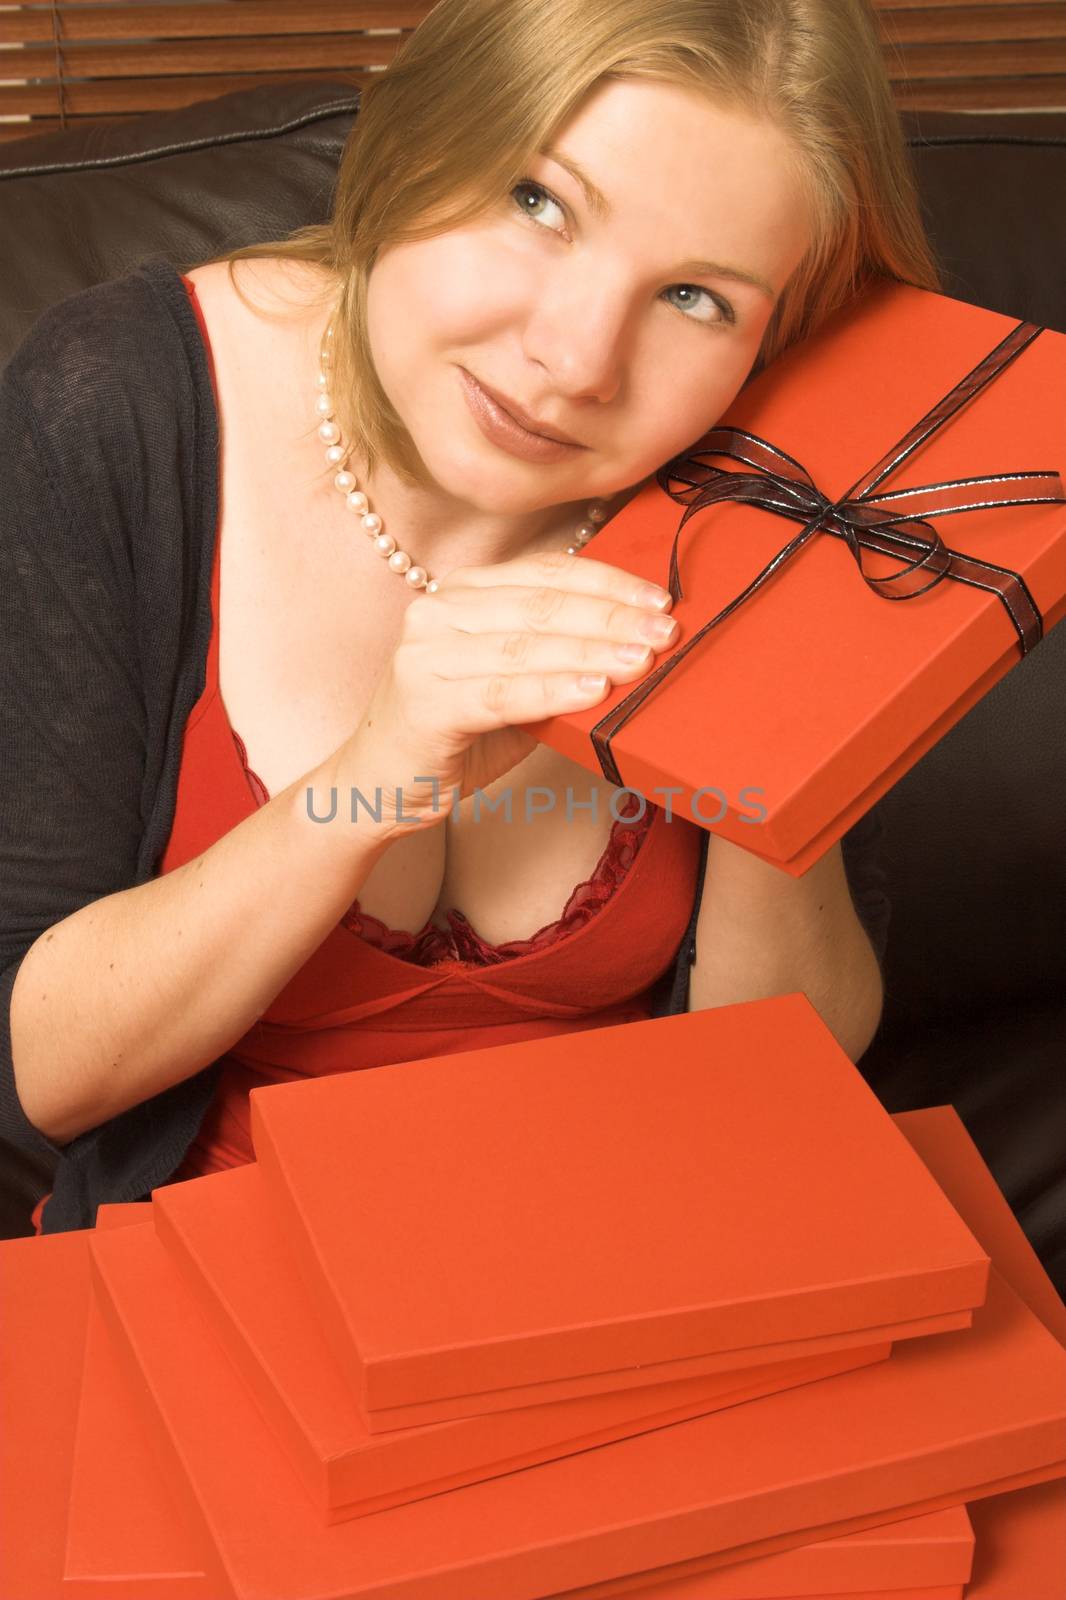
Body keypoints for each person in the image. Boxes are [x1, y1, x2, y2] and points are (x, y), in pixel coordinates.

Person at [1, 0, 930, 1233]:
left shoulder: (778, 490)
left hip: (649, 1255)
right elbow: (46, 1077)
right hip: (229, 1287)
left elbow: (795, 1068)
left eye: (697, 297)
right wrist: (375, 775)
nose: (577, 359)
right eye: (538, 204)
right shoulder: (119, 404)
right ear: (418, 139)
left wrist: (767, 719)